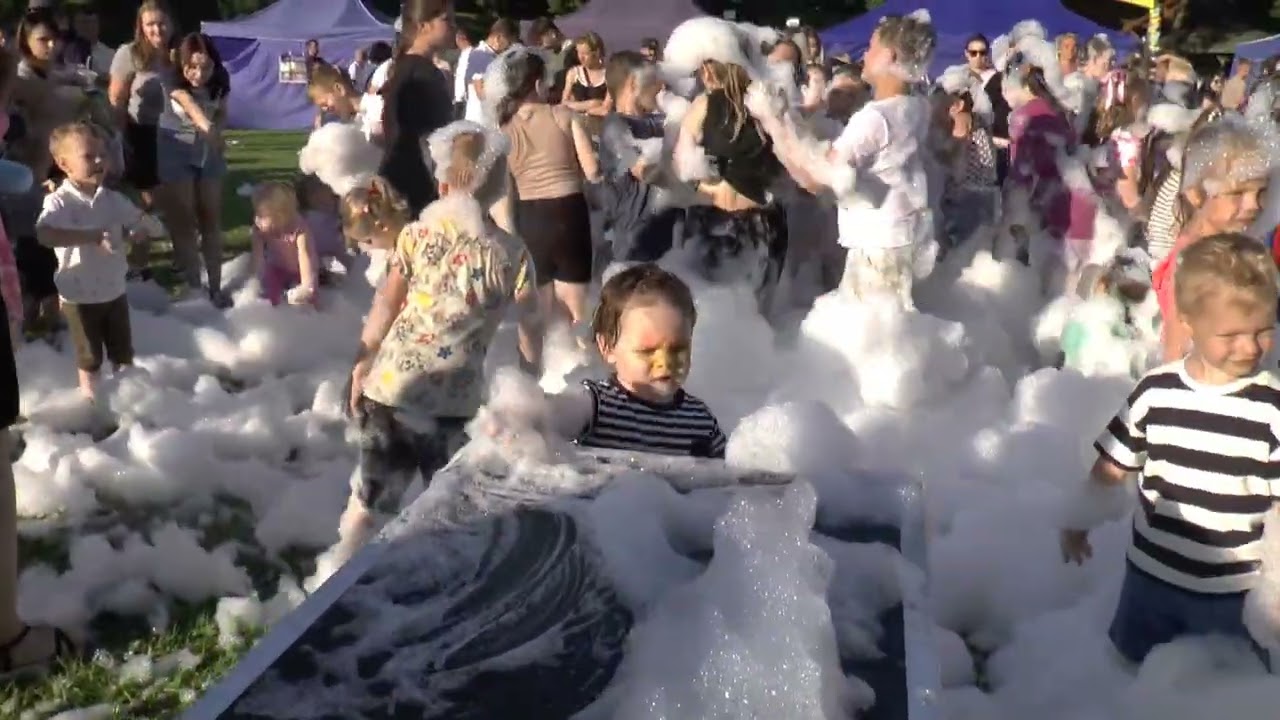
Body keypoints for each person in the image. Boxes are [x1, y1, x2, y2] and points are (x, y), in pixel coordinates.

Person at [1061, 234, 1280, 668]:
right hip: (1151, 577)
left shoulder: (1270, 408)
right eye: (1232, 334)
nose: (1250, 347)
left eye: (1264, 331)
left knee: (1224, 689)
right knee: (1133, 671)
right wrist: (1079, 518)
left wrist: (1274, 590)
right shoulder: (1156, 392)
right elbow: (1112, 467)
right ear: (1188, 322)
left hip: (1233, 592)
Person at [338, 121, 535, 559]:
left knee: (370, 502)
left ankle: (339, 572)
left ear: (442, 180)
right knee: (451, 510)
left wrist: (361, 362)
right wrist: (529, 382)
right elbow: (530, 325)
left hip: (391, 390)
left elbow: (386, 307)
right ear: (501, 186)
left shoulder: (415, 235)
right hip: (451, 404)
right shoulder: (513, 254)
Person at [765, 13, 936, 310]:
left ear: (889, 55)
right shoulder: (917, 107)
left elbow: (817, 179)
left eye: (870, 47)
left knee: (874, 344)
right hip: (904, 239)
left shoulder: (874, 118)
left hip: (876, 250)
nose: (865, 55)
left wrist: (773, 122)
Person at [511, 263, 728, 458]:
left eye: (679, 348)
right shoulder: (598, 405)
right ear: (608, 348)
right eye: (647, 350)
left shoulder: (699, 420)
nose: (665, 362)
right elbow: (557, 413)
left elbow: (731, 478)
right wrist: (521, 417)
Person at [36, 121, 163, 400]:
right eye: (88, 156)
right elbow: (45, 234)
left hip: (114, 289)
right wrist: (92, 236)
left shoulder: (113, 200)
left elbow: (143, 222)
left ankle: (128, 399)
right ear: (64, 164)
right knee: (90, 357)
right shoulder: (59, 202)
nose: (99, 161)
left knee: (122, 353)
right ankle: (92, 403)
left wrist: (141, 230)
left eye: (102, 155)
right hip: (78, 295)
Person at [496, 48, 599, 353]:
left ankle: (530, 381)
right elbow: (592, 170)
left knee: (533, 314)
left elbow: (502, 193)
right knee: (577, 310)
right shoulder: (563, 115)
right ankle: (583, 378)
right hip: (569, 213)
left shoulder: (503, 129)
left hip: (530, 218)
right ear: (539, 83)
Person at [1151, 115, 1268, 363]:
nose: (1253, 205)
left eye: (1262, 192)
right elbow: (1176, 349)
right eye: (1237, 192)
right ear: (1195, 194)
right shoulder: (1193, 262)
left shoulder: (1226, 244)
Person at [157, 32, 231, 307]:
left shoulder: (221, 80)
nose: (199, 74)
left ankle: (215, 287)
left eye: (206, 67)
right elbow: (190, 107)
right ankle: (194, 287)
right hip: (175, 149)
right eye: (192, 67)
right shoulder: (171, 78)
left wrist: (217, 129)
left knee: (210, 216)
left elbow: (222, 111)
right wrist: (211, 130)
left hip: (207, 150)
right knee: (184, 219)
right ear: (182, 63)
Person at [597, 50, 680, 266]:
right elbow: (644, 171)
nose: (660, 86)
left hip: (669, 238)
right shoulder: (615, 126)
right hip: (635, 241)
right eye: (652, 80)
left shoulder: (657, 121)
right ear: (633, 83)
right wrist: (700, 188)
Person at [378, 0, 455, 215]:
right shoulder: (424, 73)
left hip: (397, 179)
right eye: (446, 19)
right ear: (423, 25)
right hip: (419, 186)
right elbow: (433, 139)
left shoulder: (403, 67)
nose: (453, 26)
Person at [250, 181, 319, 306]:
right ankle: (271, 307)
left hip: (299, 270)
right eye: (256, 214)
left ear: (280, 214)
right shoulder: (260, 229)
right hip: (277, 267)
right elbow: (257, 258)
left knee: (306, 299)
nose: (257, 219)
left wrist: (307, 286)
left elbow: (306, 258)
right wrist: (256, 282)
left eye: (262, 215)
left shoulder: (299, 230)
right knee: (267, 290)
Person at [462, 18, 516, 123]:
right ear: (499, 38)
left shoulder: (493, 56)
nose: (508, 47)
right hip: (480, 118)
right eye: (508, 43)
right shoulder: (480, 55)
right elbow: (480, 92)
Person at [562, 32, 609, 123]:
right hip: (578, 123)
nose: (581, 57)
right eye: (579, 52)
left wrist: (580, 109)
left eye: (585, 54)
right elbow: (564, 103)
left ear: (597, 53)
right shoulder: (574, 74)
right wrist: (593, 104)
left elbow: (606, 108)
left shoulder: (609, 74)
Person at [450, 28, 473, 119]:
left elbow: (466, 76)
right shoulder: (462, 54)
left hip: (464, 99)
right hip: (458, 99)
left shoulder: (471, 53)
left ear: (462, 38)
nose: (456, 42)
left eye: (457, 39)